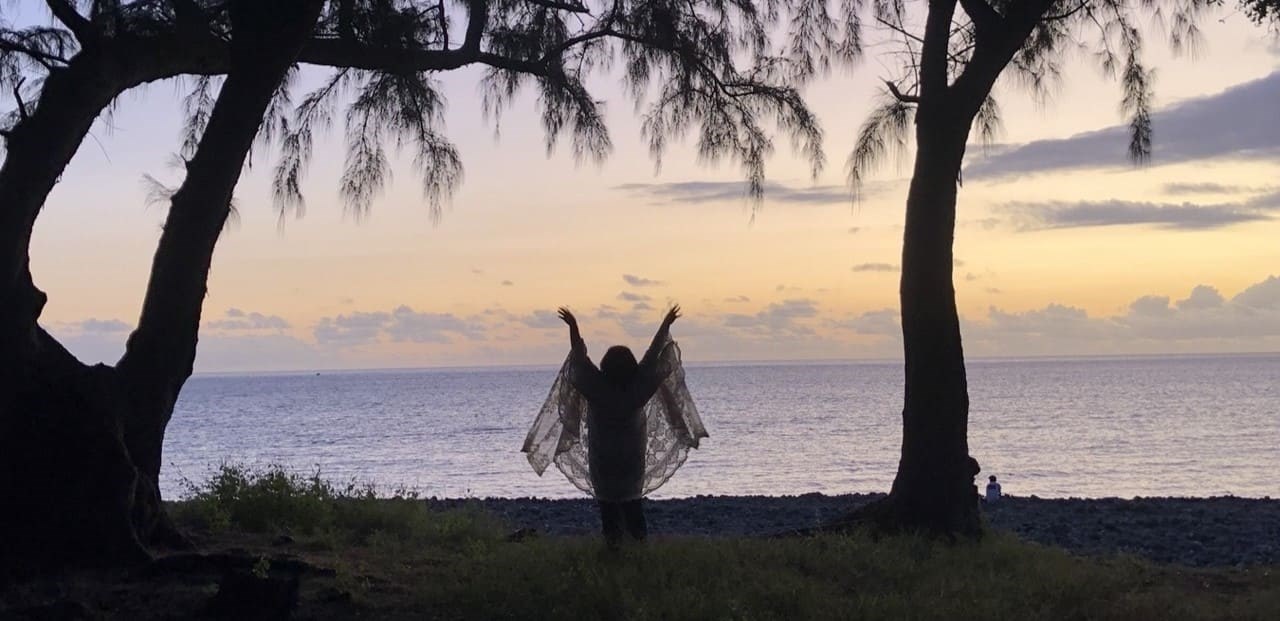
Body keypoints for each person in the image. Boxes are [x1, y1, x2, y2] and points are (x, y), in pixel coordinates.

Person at [522, 305, 707, 547]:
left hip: (603, 460)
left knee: (608, 511)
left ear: (605, 365)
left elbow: (579, 358)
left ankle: (614, 551)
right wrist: (666, 324)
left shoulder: (597, 387)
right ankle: (639, 551)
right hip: (631, 460)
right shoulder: (638, 389)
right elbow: (653, 356)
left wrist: (573, 326)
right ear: (631, 366)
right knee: (633, 508)